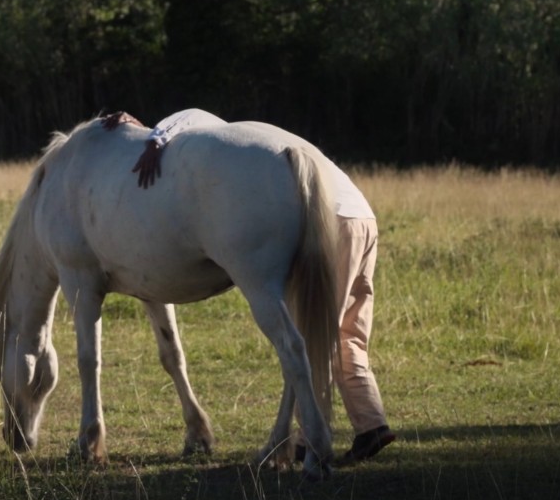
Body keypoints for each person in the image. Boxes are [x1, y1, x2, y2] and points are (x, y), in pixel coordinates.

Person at [101, 109, 396, 462]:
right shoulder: (262, 143)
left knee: (311, 328)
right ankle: (371, 424)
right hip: (362, 217)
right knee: (348, 332)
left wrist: (153, 139)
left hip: (331, 220)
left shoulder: (203, 129)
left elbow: (183, 119)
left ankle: (308, 440)